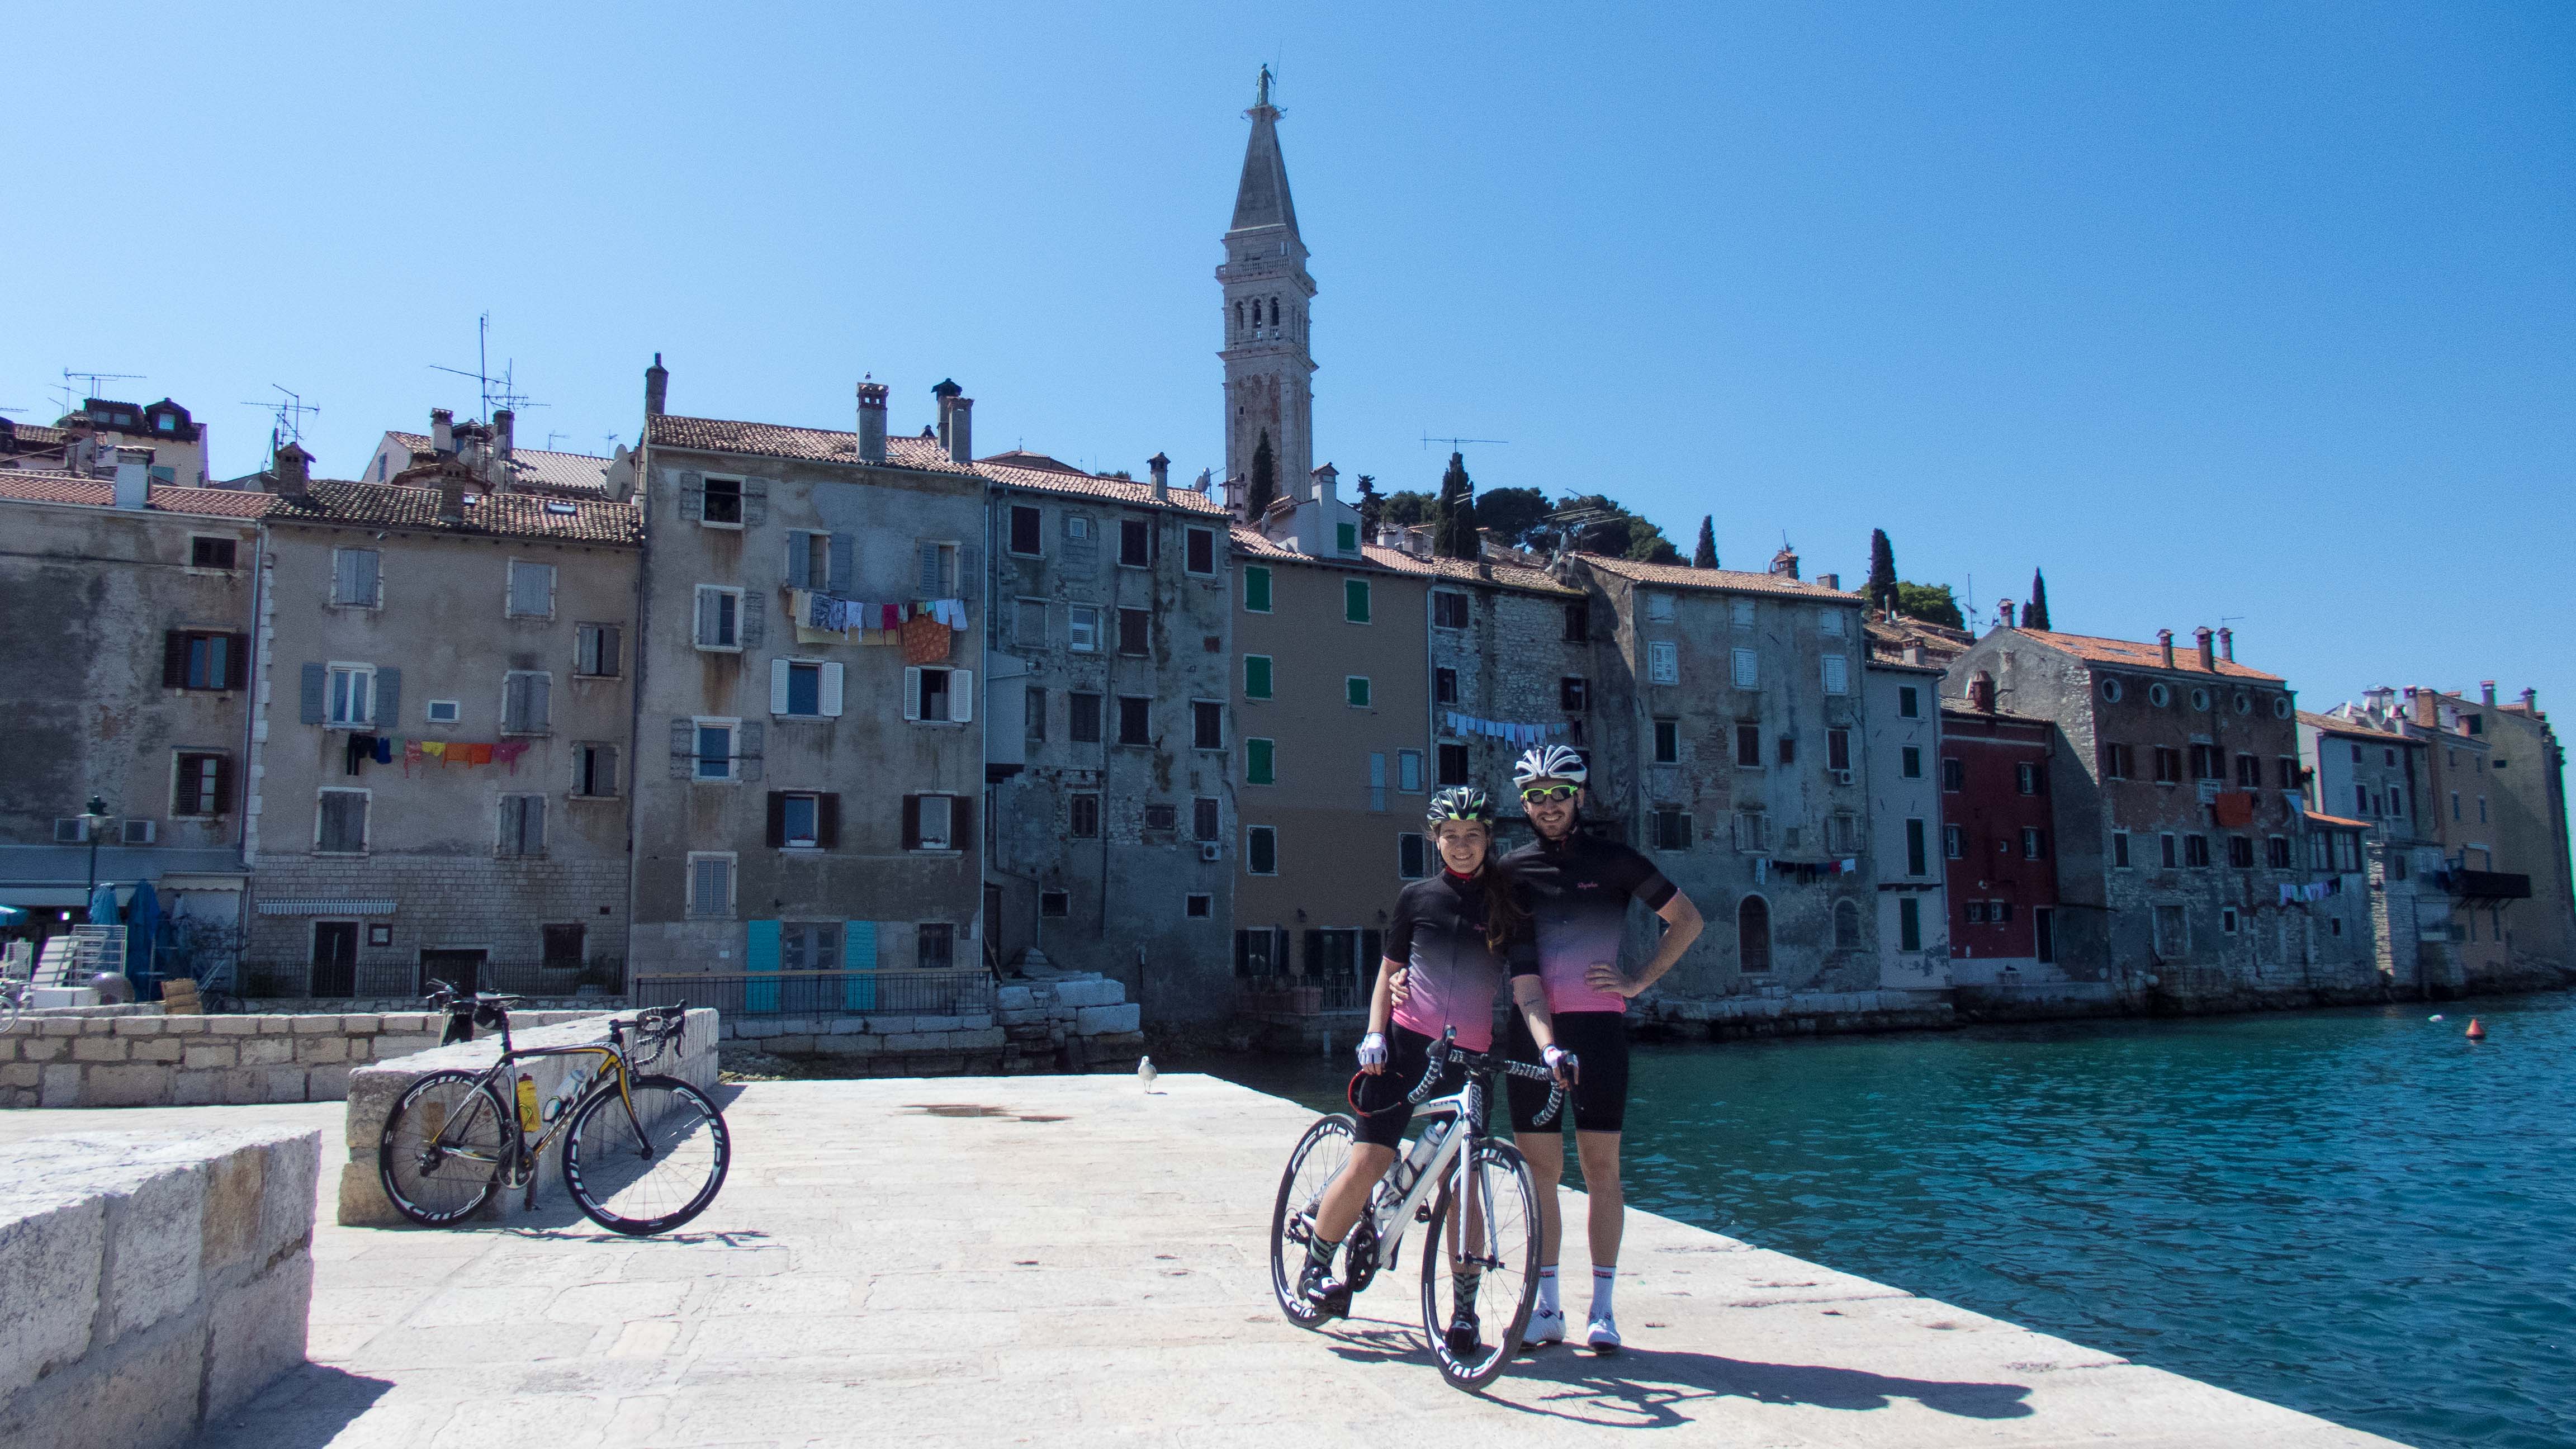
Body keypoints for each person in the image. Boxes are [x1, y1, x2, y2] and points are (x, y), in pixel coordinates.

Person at [1297, 787, 1576, 1357]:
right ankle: (1316, 1266)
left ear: (1489, 839)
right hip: (1405, 1050)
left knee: (1463, 1184)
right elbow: (1389, 972)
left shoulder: (1508, 906)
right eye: (1451, 836)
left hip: (1470, 1062)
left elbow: (1527, 990)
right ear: (1435, 840)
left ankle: (1465, 1312)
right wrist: (1374, 1034)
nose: (1462, 846)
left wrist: (1550, 1050)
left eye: (1472, 835)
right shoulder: (1417, 898)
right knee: (1371, 1160)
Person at [1499, 744, 1702, 1352]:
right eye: (1536, 796)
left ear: (1579, 796)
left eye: (1559, 794)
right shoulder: (1511, 870)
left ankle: (1604, 1311)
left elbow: (1688, 920)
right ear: (1525, 805)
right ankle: (1547, 1307)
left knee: (1601, 1171)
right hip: (1532, 1034)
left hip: (1599, 1033)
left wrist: (1638, 981)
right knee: (1540, 1172)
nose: (1549, 805)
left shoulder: (1615, 860)